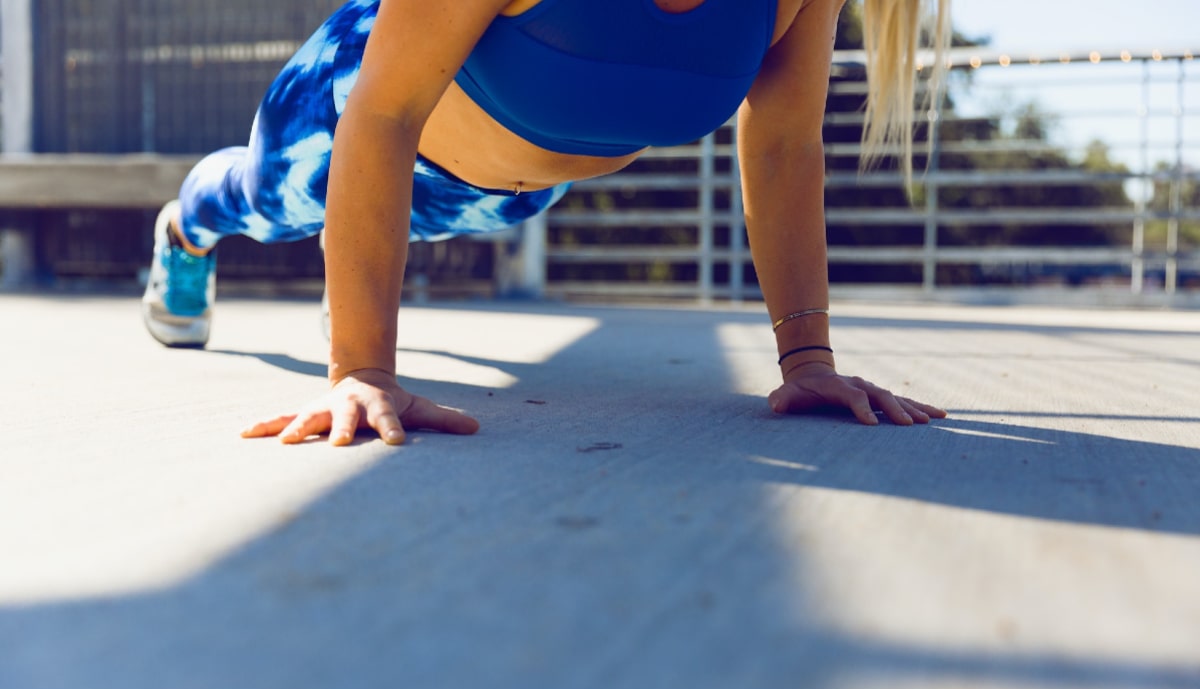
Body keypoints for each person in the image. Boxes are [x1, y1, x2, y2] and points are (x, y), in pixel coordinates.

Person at [141, 0, 950, 447]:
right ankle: (184, 233)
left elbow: (780, 147)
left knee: (388, 231)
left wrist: (807, 358)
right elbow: (382, 114)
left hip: (506, 197)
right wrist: (364, 370)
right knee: (257, 201)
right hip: (346, 115)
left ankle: (350, 265)